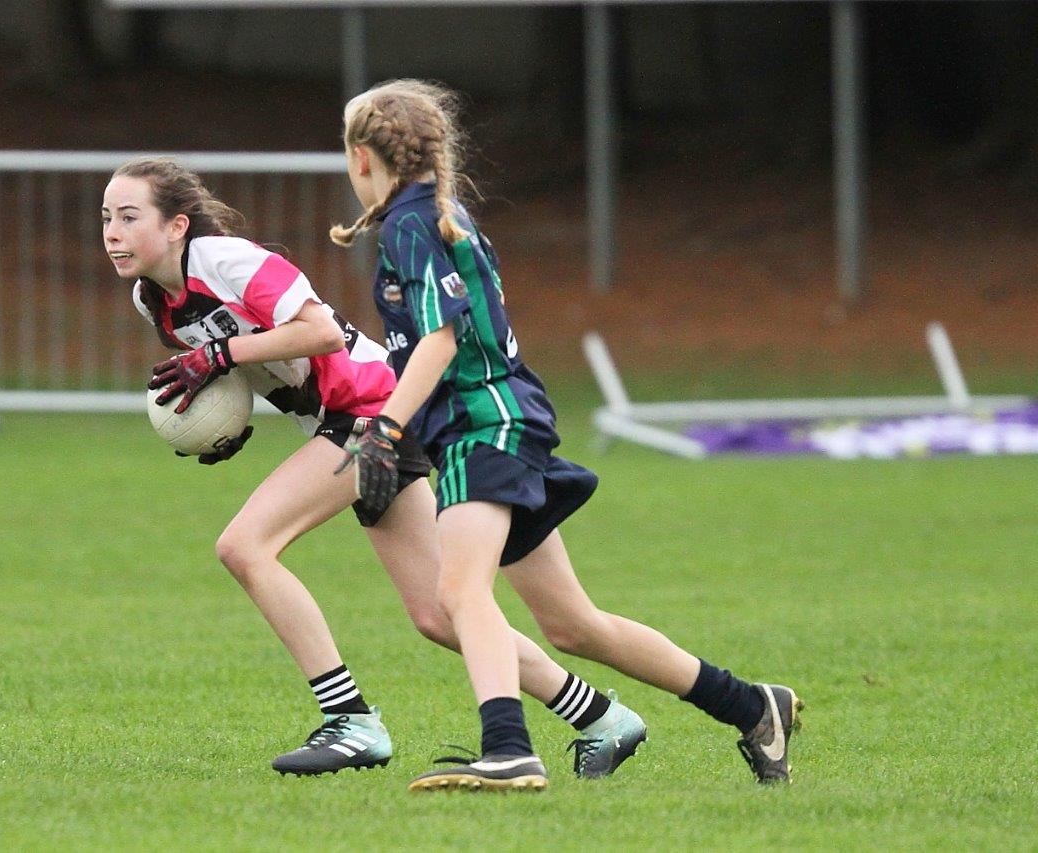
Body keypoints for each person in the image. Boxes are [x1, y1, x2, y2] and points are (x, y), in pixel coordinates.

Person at [101, 157, 650, 781]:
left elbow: (321, 334)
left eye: (128, 217)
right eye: (106, 219)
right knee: (438, 616)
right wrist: (230, 424)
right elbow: (264, 366)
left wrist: (220, 355)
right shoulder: (154, 300)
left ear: (177, 226)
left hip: (374, 411)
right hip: (348, 420)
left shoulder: (227, 260)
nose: (112, 232)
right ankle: (602, 718)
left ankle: (351, 722)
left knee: (246, 546)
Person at [330, 80, 803, 792]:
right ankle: (750, 704)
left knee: (460, 590)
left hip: (481, 424)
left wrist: (386, 427)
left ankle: (508, 746)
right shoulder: (436, 212)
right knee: (573, 625)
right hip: (506, 416)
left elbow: (441, 337)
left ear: (361, 156)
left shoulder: (408, 223)